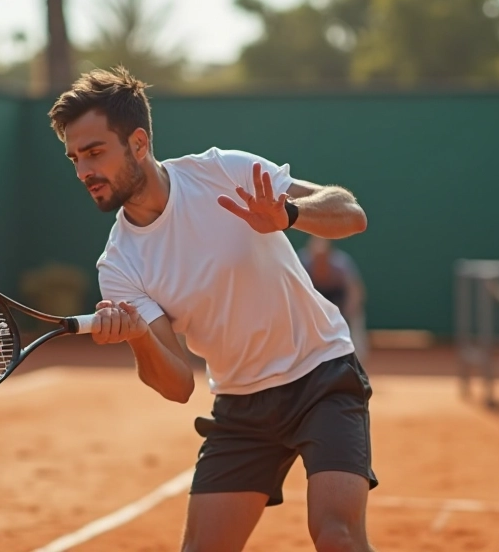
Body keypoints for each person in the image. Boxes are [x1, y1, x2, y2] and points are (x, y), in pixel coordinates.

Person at [48, 66, 377, 552]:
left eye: (95, 152)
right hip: (241, 406)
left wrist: (289, 215)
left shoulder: (224, 171)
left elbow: (351, 213)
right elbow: (178, 385)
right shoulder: (119, 265)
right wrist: (138, 335)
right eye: (75, 158)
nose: (83, 172)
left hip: (321, 376)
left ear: (139, 143)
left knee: (337, 537)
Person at [298, 237, 370, 363]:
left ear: (329, 254)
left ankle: (357, 360)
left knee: (355, 315)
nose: (320, 260)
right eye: (317, 257)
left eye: (323, 257)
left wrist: (349, 309)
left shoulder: (341, 263)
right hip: (314, 300)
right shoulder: (302, 263)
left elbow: (355, 290)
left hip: (338, 299)